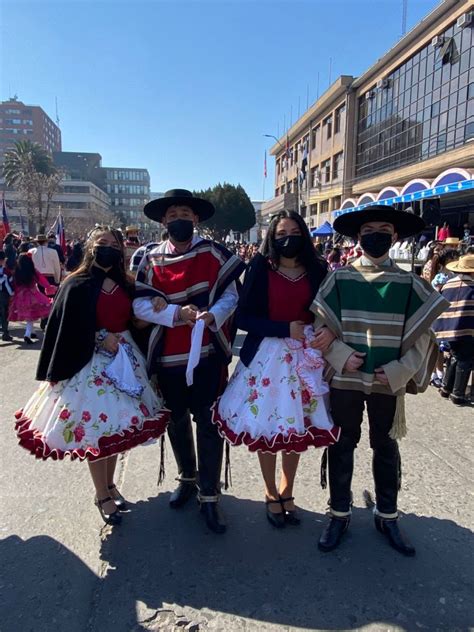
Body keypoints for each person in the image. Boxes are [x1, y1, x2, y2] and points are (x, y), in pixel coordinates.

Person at [312, 205, 449, 556]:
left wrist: (401, 370)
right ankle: (339, 513)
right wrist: (341, 356)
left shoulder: (409, 283)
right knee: (342, 445)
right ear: (358, 237)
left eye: (383, 229)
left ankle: (387, 515)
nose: (375, 235)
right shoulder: (339, 278)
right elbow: (320, 330)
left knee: (386, 448)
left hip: (388, 382)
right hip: (347, 380)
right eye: (368, 230)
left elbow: (424, 339)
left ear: (395, 236)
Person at [14, 227, 169, 525]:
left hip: (125, 362)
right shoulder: (76, 283)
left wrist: (156, 304)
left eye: (114, 243)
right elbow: (65, 328)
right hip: (89, 365)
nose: (108, 248)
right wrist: (98, 338)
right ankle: (101, 494)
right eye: (102, 243)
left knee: (115, 432)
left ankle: (110, 486)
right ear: (90, 247)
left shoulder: (126, 283)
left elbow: (136, 316)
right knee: (98, 433)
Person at [213, 210, 340, 528]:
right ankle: (270, 492)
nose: (288, 238)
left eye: (295, 232)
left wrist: (329, 330)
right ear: (272, 236)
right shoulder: (260, 267)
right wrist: (284, 328)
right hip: (267, 358)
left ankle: (288, 490)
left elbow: (330, 311)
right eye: (282, 233)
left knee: (296, 427)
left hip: (306, 359)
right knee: (268, 427)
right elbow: (243, 318)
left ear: (305, 236)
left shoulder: (318, 268)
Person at [133, 189, 246, 534]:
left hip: (207, 357)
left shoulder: (212, 253)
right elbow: (137, 306)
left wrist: (212, 316)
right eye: (171, 215)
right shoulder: (149, 259)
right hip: (167, 359)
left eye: (184, 213)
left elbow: (230, 295)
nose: (178, 219)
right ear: (163, 221)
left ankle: (210, 496)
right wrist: (173, 314)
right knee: (175, 420)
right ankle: (187, 478)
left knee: (209, 423)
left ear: (195, 219)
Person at [434, 254, 474, 406]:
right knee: (465, 359)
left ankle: (446, 388)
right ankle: (457, 393)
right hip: (467, 329)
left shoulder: (448, 284)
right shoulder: (471, 287)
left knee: (454, 356)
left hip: (448, 328)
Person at [8, 254, 55, 344]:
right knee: (33, 315)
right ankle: (27, 334)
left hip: (20, 296)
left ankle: (31, 332)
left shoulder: (16, 271)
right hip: (33, 294)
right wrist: (48, 287)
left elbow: (14, 284)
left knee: (30, 316)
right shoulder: (33, 271)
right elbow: (42, 280)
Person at [0, 250, 14, 341]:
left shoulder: (6, 270)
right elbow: (10, 282)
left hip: (4, 294)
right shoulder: (6, 271)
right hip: (3, 294)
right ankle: (5, 333)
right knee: (4, 313)